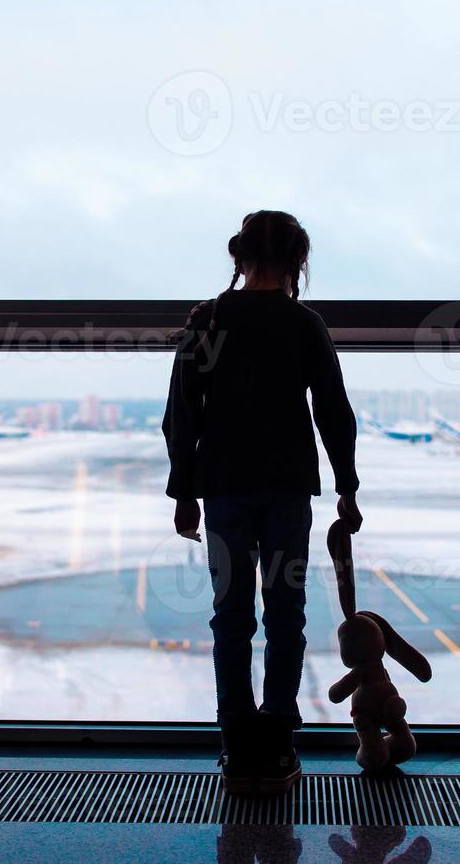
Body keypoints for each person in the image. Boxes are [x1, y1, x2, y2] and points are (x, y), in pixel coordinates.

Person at [163, 210, 362, 795]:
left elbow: (182, 414)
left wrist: (183, 492)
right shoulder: (305, 324)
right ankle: (277, 738)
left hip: (223, 487)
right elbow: (332, 409)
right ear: (298, 261)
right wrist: (347, 485)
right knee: (286, 613)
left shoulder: (210, 320)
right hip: (287, 489)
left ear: (239, 258)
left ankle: (236, 740)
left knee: (231, 616)